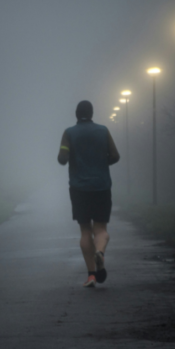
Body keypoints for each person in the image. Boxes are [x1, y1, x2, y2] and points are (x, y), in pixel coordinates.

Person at [57, 100, 120, 287]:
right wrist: (100, 163)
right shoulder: (103, 130)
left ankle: (91, 275)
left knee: (85, 231)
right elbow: (115, 156)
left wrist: (70, 156)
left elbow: (62, 159)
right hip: (101, 186)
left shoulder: (69, 133)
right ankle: (100, 252)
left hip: (79, 188)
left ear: (76, 114)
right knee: (100, 229)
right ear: (92, 114)